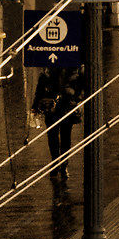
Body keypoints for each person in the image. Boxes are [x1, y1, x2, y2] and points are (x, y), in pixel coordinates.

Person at [32, 66, 86, 197]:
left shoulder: (54, 69)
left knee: (59, 136)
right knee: (57, 136)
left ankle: (59, 164)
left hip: (63, 106)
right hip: (56, 106)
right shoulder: (69, 68)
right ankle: (59, 163)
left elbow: (81, 87)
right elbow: (40, 88)